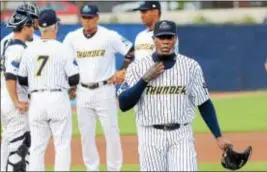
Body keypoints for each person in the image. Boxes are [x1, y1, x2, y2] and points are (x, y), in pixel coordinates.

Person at [118, 20, 232, 171]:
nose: (165, 41)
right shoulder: (137, 68)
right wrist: (144, 79)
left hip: (181, 135)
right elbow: (123, 104)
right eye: (161, 37)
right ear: (153, 39)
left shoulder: (190, 66)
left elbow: (204, 103)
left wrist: (218, 136)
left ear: (176, 39)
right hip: (150, 136)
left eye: (169, 37)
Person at [63, 4, 134, 171]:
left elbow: (130, 49)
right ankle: (92, 168)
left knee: (112, 133)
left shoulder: (108, 36)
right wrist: (71, 84)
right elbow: (64, 62)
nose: (86, 21)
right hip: (83, 91)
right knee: (86, 135)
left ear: (97, 18)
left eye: (90, 17)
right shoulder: (72, 37)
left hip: (105, 90)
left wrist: (123, 69)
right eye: (84, 17)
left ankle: (114, 168)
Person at [17, 9, 80, 171]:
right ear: (55, 27)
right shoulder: (62, 48)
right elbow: (75, 78)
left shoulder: (29, 49)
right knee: (62, 145)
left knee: (37, 148)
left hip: (36, 100)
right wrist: (70, 87)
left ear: (39, 27)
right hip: (58, 98)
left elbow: (22, 79)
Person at [0, 12, 35, 172]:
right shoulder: (17, 49)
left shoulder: (10, 46)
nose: (33, 29)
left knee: (9, 146)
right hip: (15, 103)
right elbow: (10, 76)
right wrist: (16, 101)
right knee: (19, 153)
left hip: (7, 100)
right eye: (31, 26)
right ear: (24, 27)